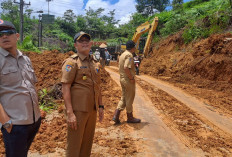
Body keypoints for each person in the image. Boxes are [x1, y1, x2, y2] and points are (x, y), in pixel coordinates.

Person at [0, 19, 41, 157]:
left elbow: (32, 86)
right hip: (14, 124)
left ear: (17, 36)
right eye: (0, 34)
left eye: (8, 32)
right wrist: (5, 122)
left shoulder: (26, 59)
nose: (4, 36)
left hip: (33, 121)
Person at [61, 31, 104, 157]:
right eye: (81, 41)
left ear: (91, 44)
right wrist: (70, 113)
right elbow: (65, 87)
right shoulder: (72, 62)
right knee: (74, 145)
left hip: (92, 109)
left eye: (87, 40)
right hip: (78, 111)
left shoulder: (94, 62)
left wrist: (101, 106)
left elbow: (98, 86)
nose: (84, 43)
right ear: (75, 45)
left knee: (87, 144)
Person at [113, 40, 141, 124]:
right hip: (128, 80)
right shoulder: (129, 55)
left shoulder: (122, 54)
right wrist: (131, 78)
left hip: (122, 78)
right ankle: (130, 117)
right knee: (129, 98)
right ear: (133, 47)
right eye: (135, 47)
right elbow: (126, 67)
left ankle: (116, 115)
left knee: (124, 97)